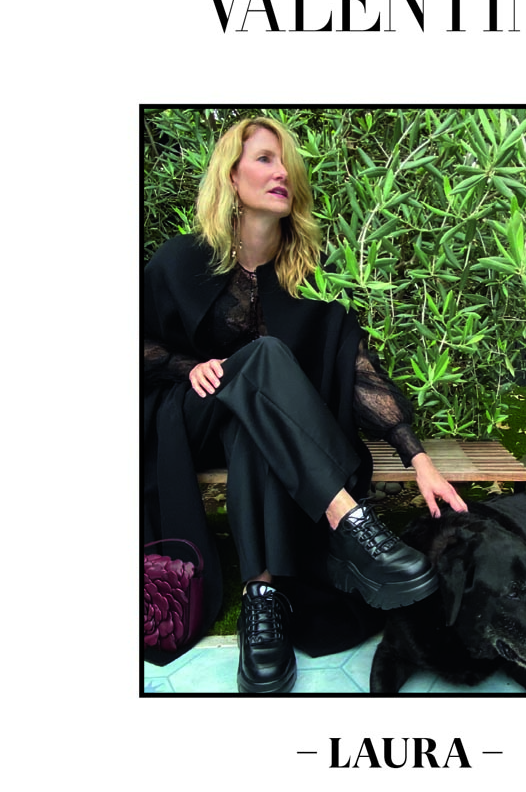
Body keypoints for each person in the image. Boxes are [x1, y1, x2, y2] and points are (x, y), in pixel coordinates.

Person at [143, 116, 467, 694]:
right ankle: (350, 521)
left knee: (255, 423)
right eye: (265, 159)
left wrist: (417, 458)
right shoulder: (181, 260)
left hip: (255, 435)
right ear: (231, 176)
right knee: (264, 356)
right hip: (187, 419)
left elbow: (356, 369)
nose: (282, 172)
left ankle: (262, 600)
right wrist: (184, 366)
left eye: (287, 162)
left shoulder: (306, 276)